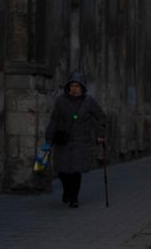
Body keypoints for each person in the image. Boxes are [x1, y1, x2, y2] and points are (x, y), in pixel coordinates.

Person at [46, 73, 107, 208]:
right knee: (62, 171)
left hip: (81, 141)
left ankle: (74, 198)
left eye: (77, 86)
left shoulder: (88, 101)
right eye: (72, 85)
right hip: (63, 140)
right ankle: (67, 191)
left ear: (82, 87)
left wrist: (100, 135)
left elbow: (101, 118)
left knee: (76, 171)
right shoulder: (61, 100)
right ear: (68, 86)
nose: (74, 88)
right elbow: (54, 119)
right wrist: (49, 137)